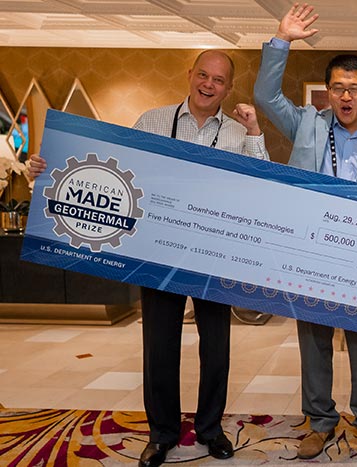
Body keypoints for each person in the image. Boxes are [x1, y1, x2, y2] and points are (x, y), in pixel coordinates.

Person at [28, 49, 269, 467]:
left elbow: (263, 182)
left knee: (216, 349)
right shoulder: (152, 121)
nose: (208, 85)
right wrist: (48, 170)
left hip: (213, 253)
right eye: (203, 75)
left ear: (229, 88)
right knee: (159, 346)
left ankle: (211, 429)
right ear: (190, 75)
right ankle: (162, 434)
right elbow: (116, 172)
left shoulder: (236, 132)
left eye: (218, 80)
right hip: (156, 252)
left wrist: (254, 132)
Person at [253, 3, 357, 461]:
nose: (345, 96)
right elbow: (265, 96)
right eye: (337, 87)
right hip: (310, 254)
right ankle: (319, 422)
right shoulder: (306, 123)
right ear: (327, 91)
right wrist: (281, 39)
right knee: (314, 342)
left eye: (354, 89)